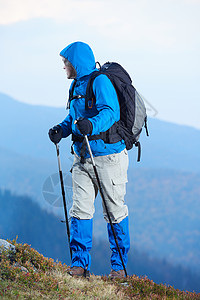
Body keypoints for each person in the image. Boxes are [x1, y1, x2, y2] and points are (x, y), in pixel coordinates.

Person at [49, 41, 130, 279]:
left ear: (76, 63)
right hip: (83, 157)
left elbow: (110, 112)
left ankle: (119, 269)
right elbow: (75, 115)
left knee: (114, 212)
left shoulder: (100, 81)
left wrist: (91, 125)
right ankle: (79, 265)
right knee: (80, 210)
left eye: (66, 63)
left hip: (109, 157)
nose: (64, 67)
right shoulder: (77, 85)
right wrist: (62, 129)